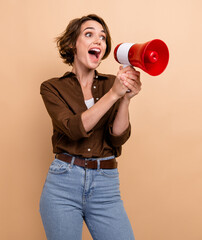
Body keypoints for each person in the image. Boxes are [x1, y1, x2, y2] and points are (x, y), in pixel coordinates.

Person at [39, 14, 141, 240]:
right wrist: (115, 94)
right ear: (71, 44)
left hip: (106, 185)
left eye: (103, 38)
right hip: (62, 186)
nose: (98, 41)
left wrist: (125, 99)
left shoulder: (110, 84)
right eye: (89, 34)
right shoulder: (52, 88)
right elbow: (74, 129)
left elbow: (117, 138)